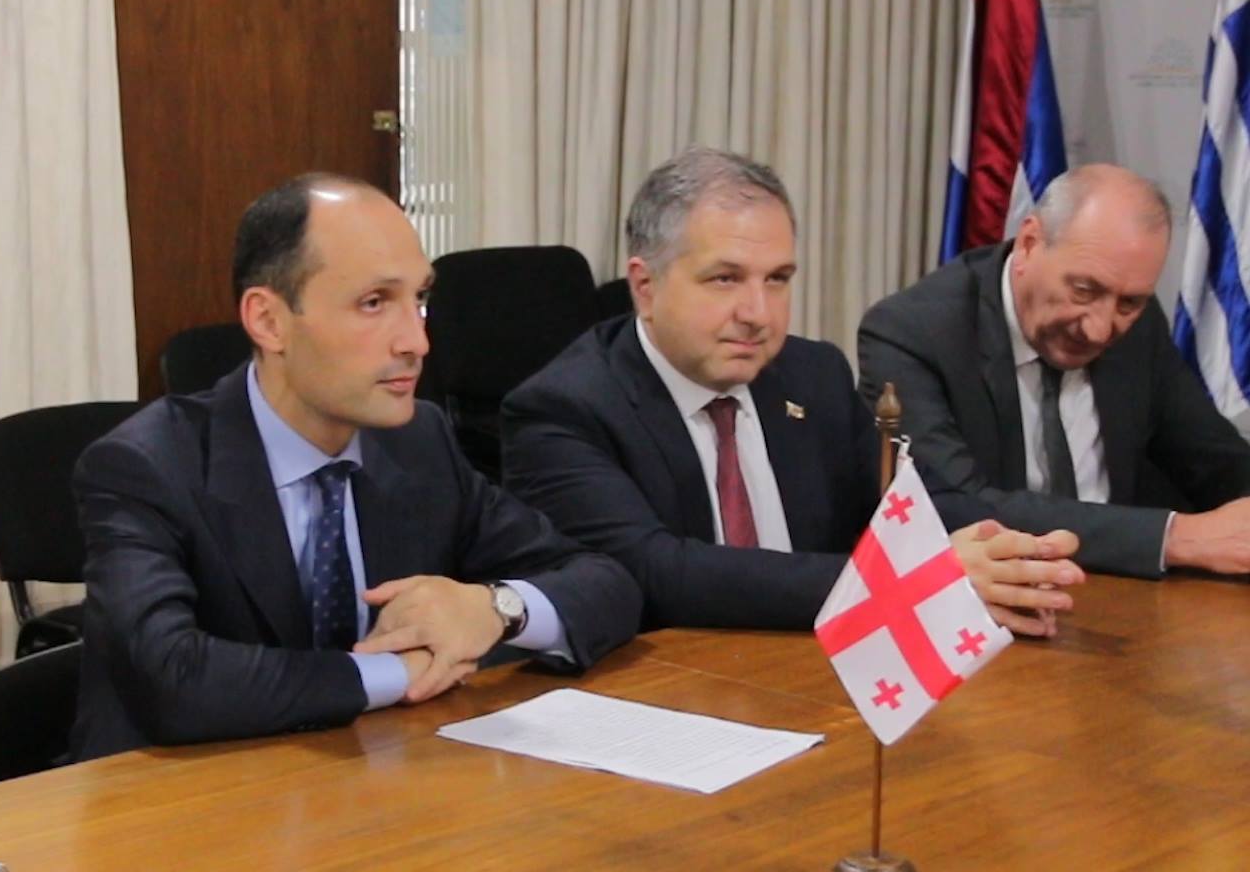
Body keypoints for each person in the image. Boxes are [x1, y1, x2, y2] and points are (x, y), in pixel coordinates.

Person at [70, 173, 642, 761]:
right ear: (268, 321)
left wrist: (496, 610)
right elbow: (172, 679)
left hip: (367, 778)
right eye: (374, 303)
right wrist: (400, 672)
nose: (417, 342)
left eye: (420, 300)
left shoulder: (418, 441)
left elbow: (607, 581)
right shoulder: (146, 465)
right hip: (181, 794)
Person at [503, 147, 1082, 634]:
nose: (758, 313)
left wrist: (1011, 554)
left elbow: (910, 500)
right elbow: (657, 575)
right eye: (725, 278)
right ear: (645, 287)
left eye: (778, 279)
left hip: (821, 675)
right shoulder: (564, 410)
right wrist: (908, 582)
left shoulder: (811, 373)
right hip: (668, 693)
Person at [859, 164, 1250, 578]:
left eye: (1128, 304)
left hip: (1124, 594)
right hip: (986, 601)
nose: (1100, 329)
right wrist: (1172, 538)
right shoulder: (912, 334)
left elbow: (1215, 461)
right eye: (1084, 291)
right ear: (1029, 244)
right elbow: (953, 506)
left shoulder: (1139, 324)